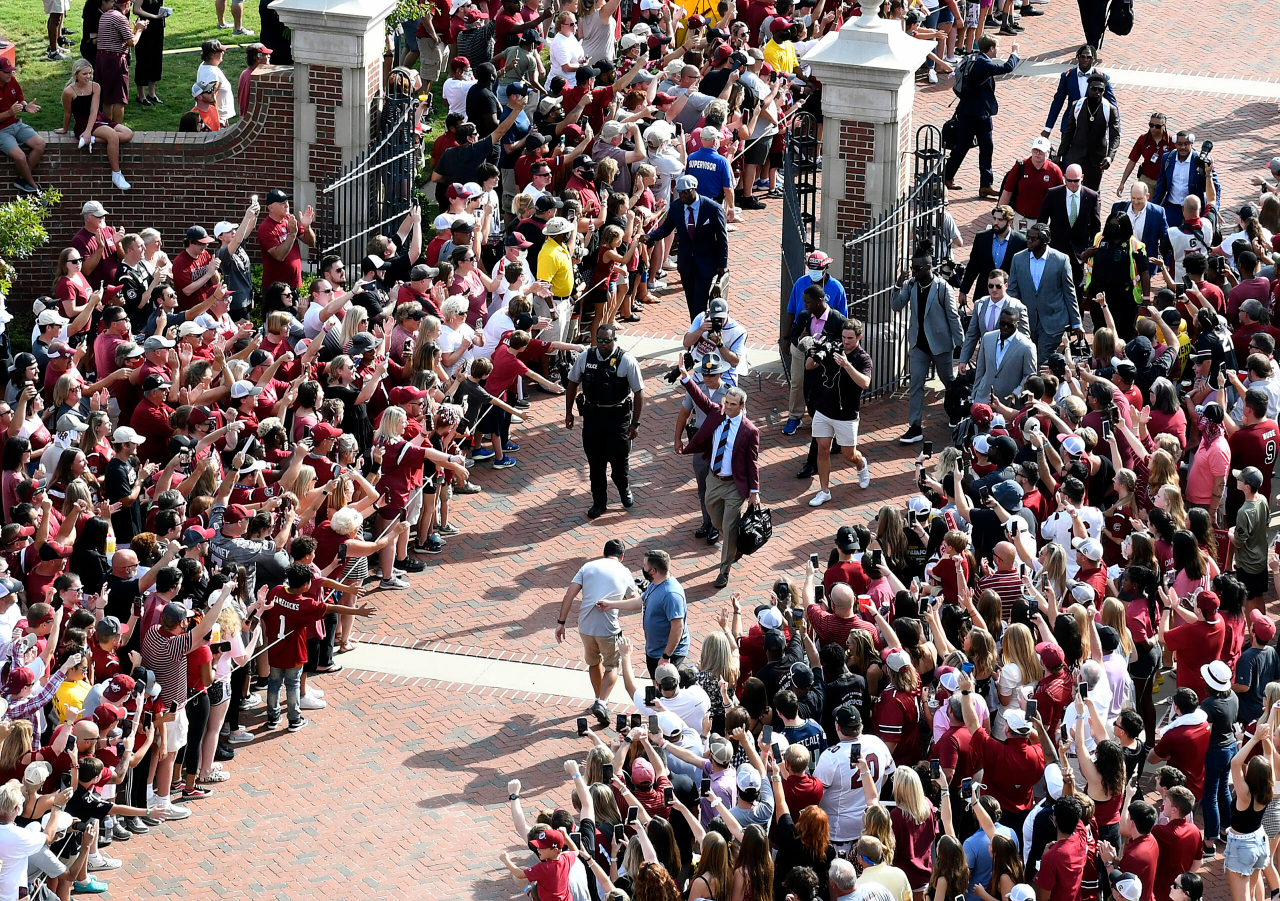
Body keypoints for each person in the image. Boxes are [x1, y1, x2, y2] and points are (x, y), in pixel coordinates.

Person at [676, 355, 760, 589]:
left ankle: (725, 569)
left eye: (733, 405)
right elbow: (699, 397)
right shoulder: (716, 412)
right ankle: (735, 541)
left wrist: (754, 491)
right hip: (713, 480)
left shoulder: (750, 431)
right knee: (716, 519)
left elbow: (752, 461)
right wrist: (686, 376)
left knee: (730, 525)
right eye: (726, 403)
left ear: (742, 406)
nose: (727, 407)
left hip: (734, 485)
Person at [555, 539, 638, 727]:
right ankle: (602, 701)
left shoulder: (587, 567)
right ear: (622, 557)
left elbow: (569, 595)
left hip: (585, 627)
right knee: (612, 666)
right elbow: (634, 602)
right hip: (608, 629)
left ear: (603, 553)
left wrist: (561, 623)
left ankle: (598, 699)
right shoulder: (625, 572)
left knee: (593, 663)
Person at [564, 325, 645, 519]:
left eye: (607, 340)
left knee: (619, 463)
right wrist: (568, 413)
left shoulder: (626, 360)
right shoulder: (586, 357)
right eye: (599, 340)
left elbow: (639, 392)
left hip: (618, 419)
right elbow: (572, 383)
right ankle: (599, 502)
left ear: (614, 339)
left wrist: (635, 423)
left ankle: (624, 488)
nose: (602, 344)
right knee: (595, 464)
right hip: (593, 419)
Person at [891, 249, 964, 444]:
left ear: (929, 267)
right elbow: (896, 305)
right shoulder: (911, 285)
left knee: (949, 381)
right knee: (916, 384)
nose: (913, 271)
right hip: (918, 344)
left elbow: (953, 317)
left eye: (918, 268)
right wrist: (898, 285)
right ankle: (915, 427)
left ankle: (956, 412)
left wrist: (960, 344)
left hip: (941, 345)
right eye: (912, 267)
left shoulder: (943, 288)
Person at [942, 34, 1020, 198]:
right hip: (977, 114)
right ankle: (952, 178)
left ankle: (982, 184)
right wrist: (1014, 52)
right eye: (997, 47)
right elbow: (1007, 68)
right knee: (972, 147)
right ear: (991, 49)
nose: (998, 50)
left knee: (975, 147)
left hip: (971, 111)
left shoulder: (974, 57)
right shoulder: (984, 64)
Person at [643, 174, 730, 322]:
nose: (682, 195)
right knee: (691, 300)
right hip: (686, 264)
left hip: (706, 263)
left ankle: (699, 331)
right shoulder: (676, 207)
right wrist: (650, 237)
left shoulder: (712, 208)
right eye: (680, 191)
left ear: (694, 189)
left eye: (685, 192)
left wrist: (722, 264)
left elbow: (722, 239)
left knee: (700, 301)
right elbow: (665, 229)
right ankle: (696, 328)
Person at [805, 319, 873, 507]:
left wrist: (847, 365)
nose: (846, 341)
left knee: (848, 454)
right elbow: (809, 366)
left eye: (850, 338)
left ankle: (861, 464)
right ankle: (824, 491)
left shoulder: (863, 358)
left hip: (846, 414)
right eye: (844, 337)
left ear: (859, 337)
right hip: (824, 409)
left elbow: (865, 383)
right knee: (822, 449)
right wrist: (814, 353)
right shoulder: (833, 348)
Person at [675, 353, 731, 544]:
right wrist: (677, 439)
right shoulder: (696, 389)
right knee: (703, 486)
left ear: (721, 373)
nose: (708, 378)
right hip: (701, 444)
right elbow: (684, 414)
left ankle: (716, 525)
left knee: (719, 487)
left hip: (721, 445)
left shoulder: (730, 394)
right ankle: (707, 521)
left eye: (712, 374)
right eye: (705, 374)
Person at [1006, 224, 1083, 361]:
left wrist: (1077, 323)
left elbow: (1069, 292)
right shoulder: (1018, 259)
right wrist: (1010, 317)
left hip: (1053, 322)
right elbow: (1012, 292)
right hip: (1027, 322)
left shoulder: (1061, 260)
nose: (1029, 241)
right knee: (1027, 360)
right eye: (1028, 237)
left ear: (1045, 240)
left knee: (1044, 361)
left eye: (1034, 239)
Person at [56, 59, 134, 191]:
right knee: (112, 136)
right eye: (84, 74)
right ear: (76, 74)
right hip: (83, 123)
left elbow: (94, 110)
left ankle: (92, 139)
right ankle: (116, 174)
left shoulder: (95, 86)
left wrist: (89, 133)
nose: (88, 77)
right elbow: (68, 113)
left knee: (128, 134)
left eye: (90, 73)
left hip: (98, 118)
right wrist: (65, 129)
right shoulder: (68, 92)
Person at [1038, 164, 1102, 293]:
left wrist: (1091, 249)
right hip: (1057, 248)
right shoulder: (1053, 194)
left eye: (1076, 181)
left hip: (1079, 252)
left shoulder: (1091, 196)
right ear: (1064, 178)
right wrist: (1044, 243)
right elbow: (1042, 221)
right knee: (1054, 283)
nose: (1073, 184)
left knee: (1077, 285)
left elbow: (1096, 226)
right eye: (1069, 180)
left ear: (1082, 177)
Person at [1057, 74, 1122, 192]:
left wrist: (1109, 157)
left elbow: (1115, 136)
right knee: (1071, 189)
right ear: (1088, 88)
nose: (1097, 92)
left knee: (1093, 193)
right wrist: (1060, 154)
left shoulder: (1110, 109)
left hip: (1097, 159)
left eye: (1100, 90)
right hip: (1076, 156)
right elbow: (1069, 131)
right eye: (1094, 89)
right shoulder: (1077, 105)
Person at [959, 206, 1028, 307]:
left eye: (1000, 220)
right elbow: (973, 267)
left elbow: (1022, 274)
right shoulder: (982, 238)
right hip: (983, 294)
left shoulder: (1020, 242)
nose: (996, 222)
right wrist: (963, 291)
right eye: (994, 218)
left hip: (1008, 298)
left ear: (1010, 221)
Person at [1041, 45, 1115, 139]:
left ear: (1093, 59)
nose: (1085, 59)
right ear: (1077, 58)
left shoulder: (1102, 78)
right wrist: (1048, 128)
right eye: (1082, 56)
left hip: (1092, 127)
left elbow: (1112, 104)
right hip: (1070, 126)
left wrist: (1115, 130)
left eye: (1089, 57)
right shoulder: (1067, 76)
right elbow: (1057, 102)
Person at [1152, 131, 1221, 228]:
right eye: (1179, 144)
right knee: (1169, 235)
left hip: (1194, 210)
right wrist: (1153, 209)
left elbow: (1215, 187)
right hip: (1172, 208)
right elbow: (1161, 186)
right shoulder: (1167, 158)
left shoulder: (1201, 161)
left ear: (1192, 143)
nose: (1183, 147)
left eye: (1186, 144)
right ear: (1175, 144)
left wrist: (1214, 209)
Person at [971, 307, 1037, 406]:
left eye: (1010, 325)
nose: (1005, 327)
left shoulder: (1027, 346)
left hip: (1008, 403)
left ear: (1017, 324)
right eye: (1002, 323)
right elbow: (980, 369)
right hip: (983, 398)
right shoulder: (987, 338)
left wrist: (1016, 394)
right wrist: (975, 394)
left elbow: (1029, 377)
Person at [998, 136, 1065, 232]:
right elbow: (1007, 192)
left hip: (1043, 221)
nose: (1038, 153)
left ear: (1048, 152)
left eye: (1041, 151)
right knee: (1020, 241)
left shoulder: (1055, 171)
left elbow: (1061, 197)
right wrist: (1000, 215)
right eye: (1035, 150)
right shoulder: (1020, 167)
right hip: (1021, 218)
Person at [0, 59, 47, 194]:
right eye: (6, 72)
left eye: (11, 71)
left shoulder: (12, 81)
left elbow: (20, 100)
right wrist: (9, 113)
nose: (10, 74)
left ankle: (22, 179)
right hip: (1, 131)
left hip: (16, 123)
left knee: (40, 144)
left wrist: (26, 107)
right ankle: (34, 187)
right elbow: (10, 112)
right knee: (20, 156)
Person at [1111, 182, 1170, 278]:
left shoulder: (1157, 213)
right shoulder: (1118, 208)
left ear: (1147, 196)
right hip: (1120, 262)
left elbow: (1165, 239)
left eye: (1139, 199)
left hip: (1144, 265)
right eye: (1133, 198)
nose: (1135, 202)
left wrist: (1167, 263)